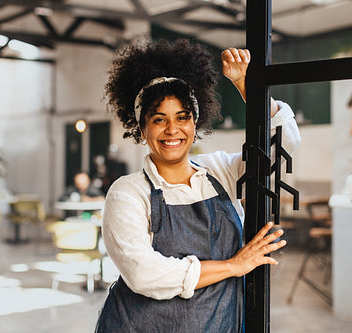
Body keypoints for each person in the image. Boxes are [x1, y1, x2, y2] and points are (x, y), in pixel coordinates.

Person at [95, 39, 301, 332]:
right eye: (158, 119)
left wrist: (246, 85)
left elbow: (284, 142)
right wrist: (234, 265)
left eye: (182, 117)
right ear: (141, 129)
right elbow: (143, 274)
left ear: (195, 123)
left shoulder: (221, 171)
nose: (172, 129)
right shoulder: (128, 192)